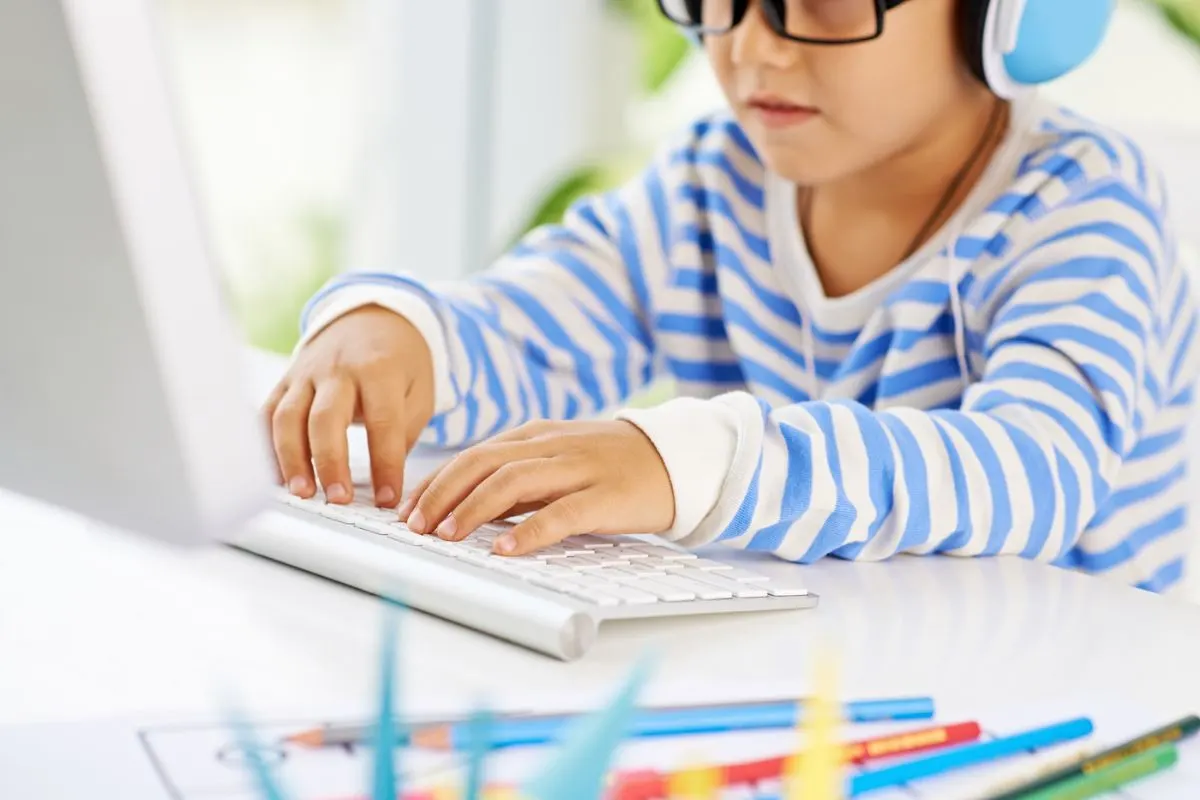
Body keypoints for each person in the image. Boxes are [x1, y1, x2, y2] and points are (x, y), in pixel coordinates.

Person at [263, 0, 1199, 592]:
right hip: (841, 674)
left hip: (1074, 709)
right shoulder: (718, 181)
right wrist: (403, 335)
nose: (751, 47)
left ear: (1004, 17)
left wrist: (700, 460)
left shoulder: (1083, 203)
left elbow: (1039, 473)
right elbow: (547, 319)